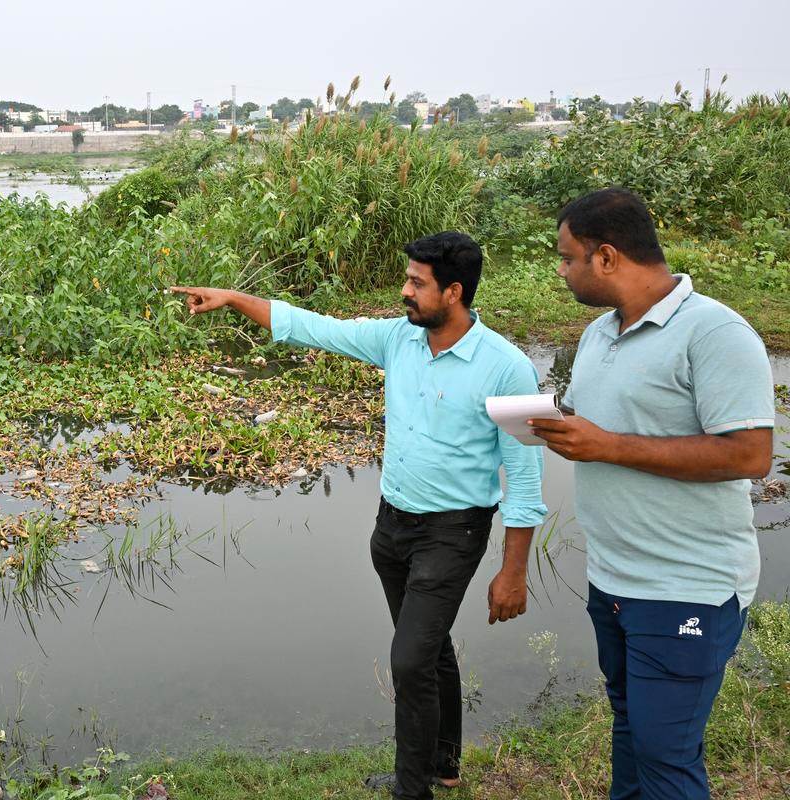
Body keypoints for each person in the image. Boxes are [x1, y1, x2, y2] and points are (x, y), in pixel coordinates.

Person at [172, 231, 547, 800]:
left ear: (453, 291)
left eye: (416, 283)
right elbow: (311, 326)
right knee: (428, 649)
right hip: (392, 526)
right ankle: (441, 766)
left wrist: (513, 571)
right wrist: (232, 297)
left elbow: (524, 478)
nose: (404, 292)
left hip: (454, 532)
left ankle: (410, 789)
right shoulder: (399, 339)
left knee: (409, 660)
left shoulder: (510, 369)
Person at [529, 188, 774, 800]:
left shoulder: (715, 332)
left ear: (606, 257)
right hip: (614, 581)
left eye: (567, 258)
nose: (561, 272)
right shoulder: (597, 335)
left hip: (686, 586)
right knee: (633, 733)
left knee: (667, 756)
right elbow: (604, 421)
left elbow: (750, 454)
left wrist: (607, 445)